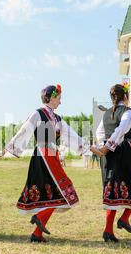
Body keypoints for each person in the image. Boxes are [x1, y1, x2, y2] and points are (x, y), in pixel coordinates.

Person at [5, 84, 89, 243]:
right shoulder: (38, 114)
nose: (60, 102)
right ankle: (39, 218)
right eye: (58, 98)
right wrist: (7, 149)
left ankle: (37, 233)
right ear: (51, 98)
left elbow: (71, 135)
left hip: (53, 155)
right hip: (42, 155)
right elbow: (24, 131)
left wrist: (89, 147)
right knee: (61, 191)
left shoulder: (57, 118)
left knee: (53, 194)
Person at [91, 82, 131, 243]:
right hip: (124, 150)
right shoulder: (128, 112)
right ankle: (123, 219)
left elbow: (100, 132)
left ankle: (109, 230)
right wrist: (108, 146)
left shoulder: (107, 114)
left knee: (112, 189)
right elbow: (122, 129)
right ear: (125, 97)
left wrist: (103, 146)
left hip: (109, 154)